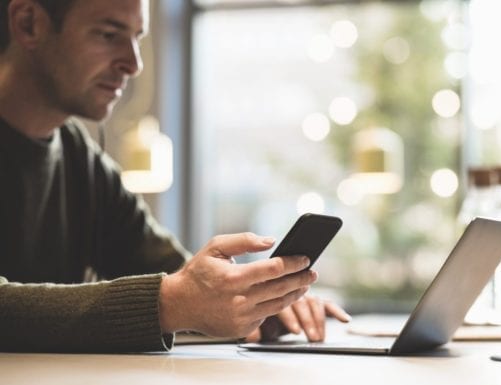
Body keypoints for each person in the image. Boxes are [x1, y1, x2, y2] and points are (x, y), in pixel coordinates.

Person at [0, 0, 350, 352]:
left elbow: (174, 271)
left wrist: (254, 298)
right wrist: (168, 303)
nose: (133, 64)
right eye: (109, 34)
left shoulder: (77, 154)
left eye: (137, 38)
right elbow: (176, 296)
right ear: (29, 23)